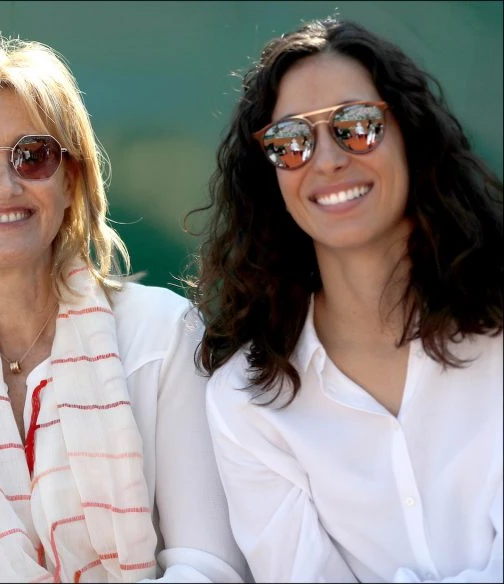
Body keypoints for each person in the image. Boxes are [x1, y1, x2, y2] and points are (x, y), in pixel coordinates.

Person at [0, 35, 249, 583]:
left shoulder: (161, 334)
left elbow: (208, 564)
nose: (4, 185)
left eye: (33, 156)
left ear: (71, 179)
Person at [189, 17, 503, 583]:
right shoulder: (247, 402)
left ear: (410, 134)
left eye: (357, 125)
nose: (327, 160)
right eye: (290, 141)